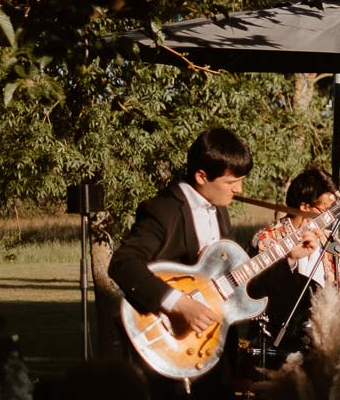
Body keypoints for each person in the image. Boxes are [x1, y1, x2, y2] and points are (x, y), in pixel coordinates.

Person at [109, 127, 270, 400]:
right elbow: (123, 264)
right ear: (201, 176)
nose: (239, 189)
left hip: (212, 349)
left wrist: (290, 255)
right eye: (232, 182)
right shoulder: (163, 210)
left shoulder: (219, 209)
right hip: (169, 344)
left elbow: (228, 280)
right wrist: (179, 304)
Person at [248, 167, 340, 355]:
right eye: (327, 210)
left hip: (324, 340)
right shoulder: (266, 240)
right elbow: (256, 293)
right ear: (305, 207)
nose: (332, 217)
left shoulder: (332, 241)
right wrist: (291, 259)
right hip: (276, 341)